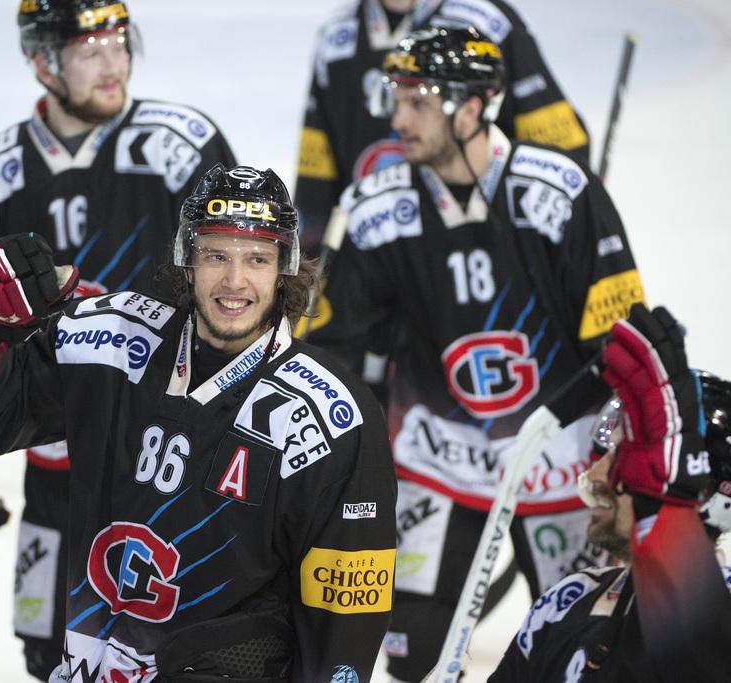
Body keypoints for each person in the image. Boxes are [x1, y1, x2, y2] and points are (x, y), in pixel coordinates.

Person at [0, 164, 397, 681]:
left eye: (257, 258)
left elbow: (347, 611)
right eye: (216, 254)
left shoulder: (331, 412)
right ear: (186, 260)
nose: (234, 281)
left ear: (285, 267)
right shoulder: (112, 340)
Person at [307, 27, 645, 682]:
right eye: (395, 97)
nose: (396, 118)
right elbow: (332, 351)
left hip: (563, 468)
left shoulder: (559, 195)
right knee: (412, 653)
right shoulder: (376, 209)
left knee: (580, 654)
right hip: (441, 462)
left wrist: (616, 455)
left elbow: (625, 342)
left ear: (472, 107)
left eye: (418, 102)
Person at [0, 1, 237, 674]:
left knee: (170, 644)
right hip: (50, 454)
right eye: (91, 50)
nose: (115, 64)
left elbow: (236, 284)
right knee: (47, 648)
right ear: (43, 62)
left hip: (163, 452)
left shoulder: (182, 144)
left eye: (119, 44)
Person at [490, 304, 731, 681]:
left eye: (629, 459)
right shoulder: (566, 601)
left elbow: (686, 644)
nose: (596, 474)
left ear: (695, 485)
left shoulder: (718, 613)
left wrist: (665, 509)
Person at [294, 0, 589, 249]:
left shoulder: (483, 23)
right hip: (378, 252)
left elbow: (556, 143)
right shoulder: (335, 39)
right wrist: (310, 257)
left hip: (481, 245)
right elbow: (317, 170)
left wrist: (579, 211)